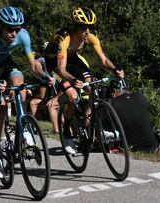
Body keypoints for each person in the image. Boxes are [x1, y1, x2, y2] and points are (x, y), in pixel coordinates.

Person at [0, 6, 54, 178]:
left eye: (17, 29)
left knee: (20, 87)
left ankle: (24, 127)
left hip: (7, 63)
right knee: (1, 108)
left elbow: (33, 64)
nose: (14, 33)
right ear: (1, 26)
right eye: (10, 29)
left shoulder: (23, 35)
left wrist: (44, 76)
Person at [44, 7, 124, 154]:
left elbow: (104, 60)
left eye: (90, 27)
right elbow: (61, 70)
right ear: (75, 27)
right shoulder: (64, 38)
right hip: (54, 64)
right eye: (82, 27)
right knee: (73, 96)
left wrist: (114, 69)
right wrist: (74, 80)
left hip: (72, 59)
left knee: (92, 87)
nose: (87, 31)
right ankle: (67, 131)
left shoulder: (91, 38)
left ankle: (91, 126)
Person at [109, 80, 160, 161]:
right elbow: (153, 113)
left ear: (113, 91)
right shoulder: (139, 96)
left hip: (131, 152)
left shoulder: (110, 105)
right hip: (153, 146)